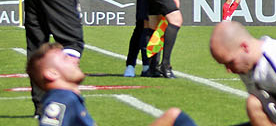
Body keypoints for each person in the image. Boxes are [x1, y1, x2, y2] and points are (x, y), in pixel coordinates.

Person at [29, 42, 195, 126]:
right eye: (66, 58)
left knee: (173, 116)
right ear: (52, 73)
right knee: (174, 117)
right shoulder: (61, 100)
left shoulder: (67, 97)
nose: (75, 59)